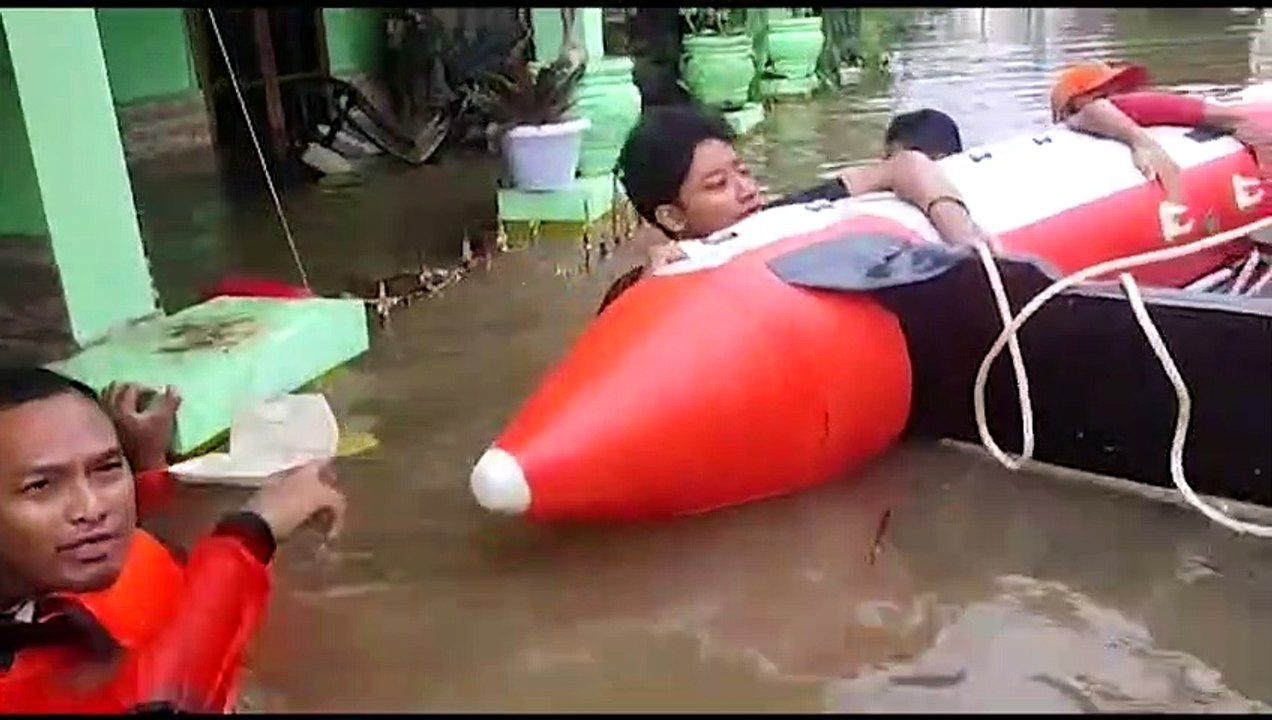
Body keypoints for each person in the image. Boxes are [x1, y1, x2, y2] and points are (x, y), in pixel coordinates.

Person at [0, 368, 346, 713]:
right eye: (40, 486)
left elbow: (154, 564)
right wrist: (254, 529)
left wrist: (148, 466)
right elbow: (157, 704)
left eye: (106, 468)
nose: (91, 509)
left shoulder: (54, 566)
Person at [598, 105, 981, 312]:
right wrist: (652, 293)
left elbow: (906, 165)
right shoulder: (636, 287)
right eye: (719, 185)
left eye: (743, 172)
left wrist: (967, 243)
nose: (746, 190)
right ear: (672, 216)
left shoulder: (786, 219)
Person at [1053, 60, 1272, 203]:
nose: (1119, 88)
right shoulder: (1112, 107)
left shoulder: (1119, 106)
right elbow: (1089, 111)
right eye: (1111, 84)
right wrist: (1140, 141)